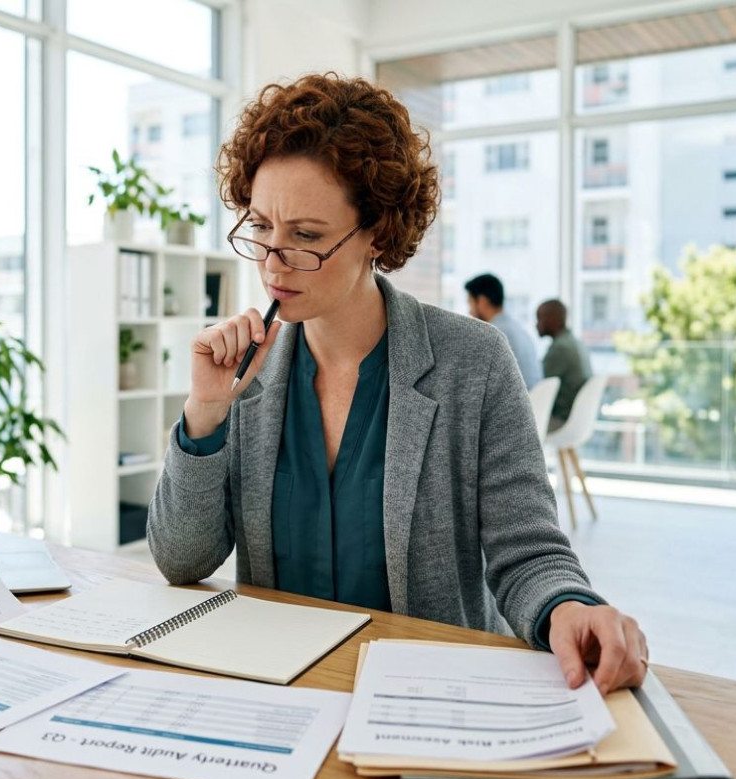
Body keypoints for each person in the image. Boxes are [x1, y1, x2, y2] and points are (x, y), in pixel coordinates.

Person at [146, 73, 647, 695]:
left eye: (306, 236)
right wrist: (205, 414)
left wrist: (570, 607)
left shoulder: (473, 360)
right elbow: (180, 560)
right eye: (261, 226)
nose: (274, 259)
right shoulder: (245, 369)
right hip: (280, 695)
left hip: (429, 699)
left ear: (377, 232)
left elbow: (528, 550)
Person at [465, 273, 541, 389]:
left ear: (482, 301)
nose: (469, 312)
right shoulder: (518, 328)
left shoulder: (493, 333)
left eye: (470, 303)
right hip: (532, 401)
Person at [536, 299, 593, 430]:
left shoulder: (560, 348)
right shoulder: (575, 342)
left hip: (561, 420)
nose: (537, 324)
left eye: (539, 318)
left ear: (551, 319)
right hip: (578, 419)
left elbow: (538, 383)